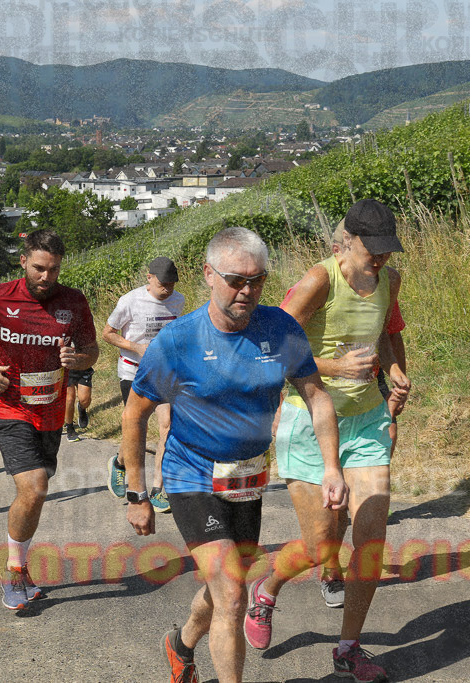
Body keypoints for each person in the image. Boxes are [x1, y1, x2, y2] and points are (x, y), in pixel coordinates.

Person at [124, 227, 346, 683]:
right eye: (235, 280)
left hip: (247, 478)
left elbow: (317, 396)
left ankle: (181, 643)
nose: (247, 290)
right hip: (191, 475)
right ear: (209, 275)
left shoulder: (279, 328)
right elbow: (134, 414)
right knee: (230, 594)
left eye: (257, 280)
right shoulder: (178, 340)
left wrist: (331, 466)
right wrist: (136, 492)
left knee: (228, 586)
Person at [243, 200, 408, 683]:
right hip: (310, 421)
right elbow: (271, 348)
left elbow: (387, 332)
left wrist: (395, 369)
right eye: (372, 250)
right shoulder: (320, 280)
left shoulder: (390, 279)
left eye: (387, 250)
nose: (380, 258)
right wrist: (335, 367)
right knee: (321, 547)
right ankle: (267, 590)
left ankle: (348, 648)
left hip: (366, 422)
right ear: (347, 242)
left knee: (371, 541)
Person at [0, 229, 98, 610]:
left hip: (50, 409)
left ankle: (21, 563)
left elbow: (92, 349)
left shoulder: (73, 302)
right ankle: (14, 572)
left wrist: (78, 359)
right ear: (23, 262)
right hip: (9, 406)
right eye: (39, 268)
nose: (46, 277)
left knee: (37, 492)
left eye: (54, 270)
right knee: (34, 486)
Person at [103, 255, 185, 512]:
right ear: (149, 278)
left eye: (171, 284)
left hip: (164, 372)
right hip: (133, 371)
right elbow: (107, 334)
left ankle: (159, 490)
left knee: (167, 425)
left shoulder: (178, 300)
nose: (167, 289)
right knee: (136, 427)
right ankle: (119, 463)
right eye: (162, 284)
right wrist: (136, 347)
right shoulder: (130, 301)